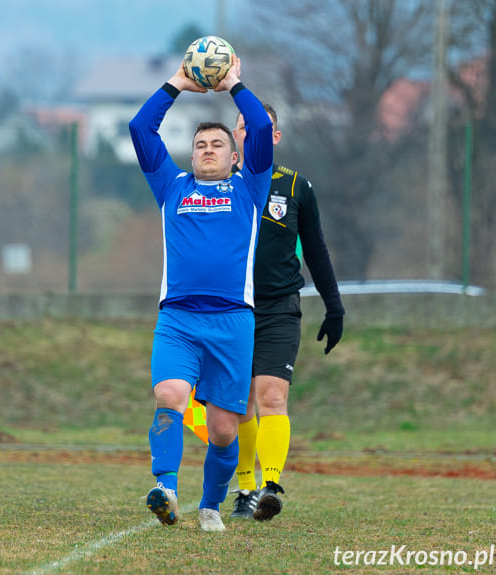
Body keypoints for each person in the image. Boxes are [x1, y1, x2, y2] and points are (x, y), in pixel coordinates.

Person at [129, 55, 273, 533]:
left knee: (224, 430)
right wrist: (176, 85)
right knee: (169, 393)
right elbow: (139, 128)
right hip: (178, 320)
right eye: (200, 145)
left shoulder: (250, 187)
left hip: (233, 322)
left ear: (235, 155)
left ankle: (211, 505)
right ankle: (165, 487)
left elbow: (257, 122)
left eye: (218, 144)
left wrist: (232, 83)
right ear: (191, 156)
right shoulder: (172, 188)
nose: (209, 150)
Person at [229, 104, 344, 521]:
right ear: (235, 137)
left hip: (280, 308)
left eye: (260, 128)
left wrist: (334, 306)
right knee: (238, 407)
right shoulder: (221, 185)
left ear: (274, 137)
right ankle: (244, 489)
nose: (251, 133)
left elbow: (316, 248)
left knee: (272, 397)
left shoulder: (296, 186)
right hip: (231, 310)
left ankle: (270, 486)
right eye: (242, 127)